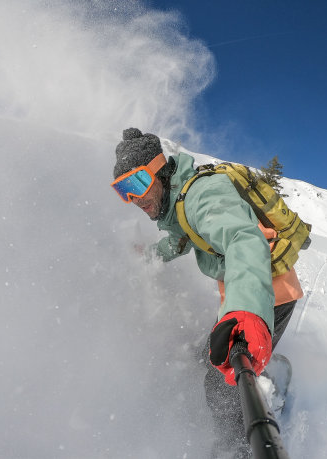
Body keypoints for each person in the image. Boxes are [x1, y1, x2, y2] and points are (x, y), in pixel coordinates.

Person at [111, 128, 303, 457]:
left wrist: (246, 310)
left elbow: (243, 239)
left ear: (159, 169)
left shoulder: (204, 194)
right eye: (123, 190)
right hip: (244, 292)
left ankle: (234, 449)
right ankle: (267, 371)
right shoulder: (176, 204)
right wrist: (150, 254)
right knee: (210, 357)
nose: (135, 199)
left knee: (220, 384)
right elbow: (178, 239)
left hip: (267, 292)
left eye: (138, 183)